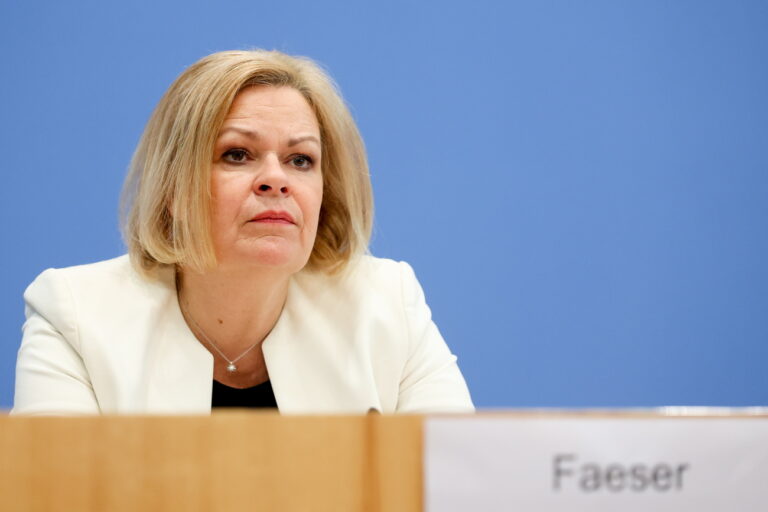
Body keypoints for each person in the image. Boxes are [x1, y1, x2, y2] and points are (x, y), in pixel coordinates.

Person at [12, 50, 474, 415]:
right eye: (237, 154)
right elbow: (52, 490)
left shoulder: (388, 305)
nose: (276, 179)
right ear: (174, 187)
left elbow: (461, 484)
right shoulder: (75, 317)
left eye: (300, 160)